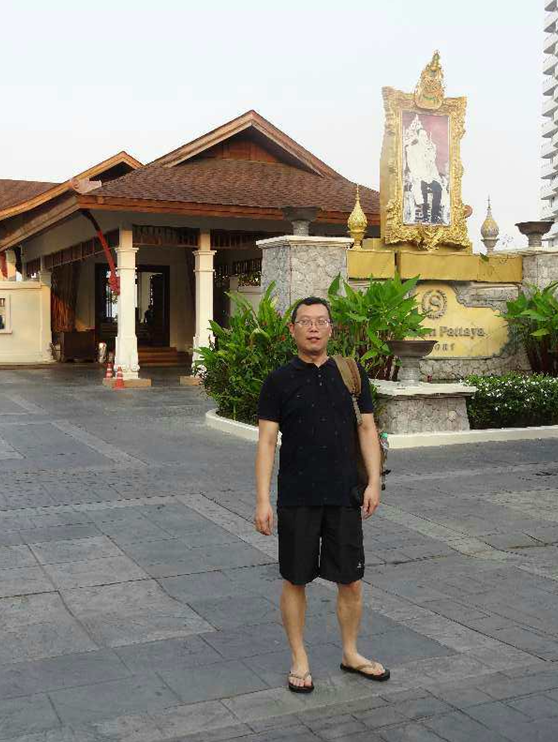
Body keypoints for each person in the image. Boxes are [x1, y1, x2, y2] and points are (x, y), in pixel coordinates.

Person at [254, 296, 390, 693]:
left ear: (331, 328)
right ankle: (299, 658)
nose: (313, 328)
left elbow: (367, 428)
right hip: (297, 496)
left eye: (321, 321)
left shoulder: (351, 374)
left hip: (344, 494)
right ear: (292, 330)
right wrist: (262, 499)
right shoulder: (278, 381)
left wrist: (374, 481)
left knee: (351, 580)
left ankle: (351, 652)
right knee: (295, 579)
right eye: (305, 321)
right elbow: (266, 442)